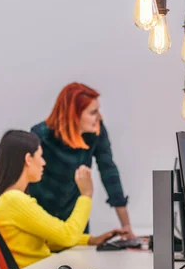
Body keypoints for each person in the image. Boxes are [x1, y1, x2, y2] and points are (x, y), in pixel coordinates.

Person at [0, 130, 121, 267]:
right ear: (28, 159)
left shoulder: (8, 199)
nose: (44, 162)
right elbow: (67, 236)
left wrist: (90, 240)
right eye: (40, 156)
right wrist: (86, 195)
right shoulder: (13, 200)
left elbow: (47, 238)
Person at [28, 83, 135, 238]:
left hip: (75, 213)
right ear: (74, 114)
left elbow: (109, 172)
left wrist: (126, 226)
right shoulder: (41, 135)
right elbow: (22, 178)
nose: (100, 117)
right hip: (42, 215)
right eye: (93, 112)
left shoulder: (96, 131)